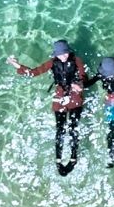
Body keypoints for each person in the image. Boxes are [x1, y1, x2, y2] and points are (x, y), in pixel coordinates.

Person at [7, 40, 86, 176]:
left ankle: (73, 158)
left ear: (69, 51)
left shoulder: (77, 60)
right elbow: (34, 72)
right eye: (60, 55)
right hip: (60, 96)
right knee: (60, 128)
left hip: (75, 96)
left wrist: (80, 85)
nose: (63, 56)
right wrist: (17, 65)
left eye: (65, 53)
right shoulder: (52, 62)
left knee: (73, 127)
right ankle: (58, 160)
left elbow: (84, 76)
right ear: (55, 55)